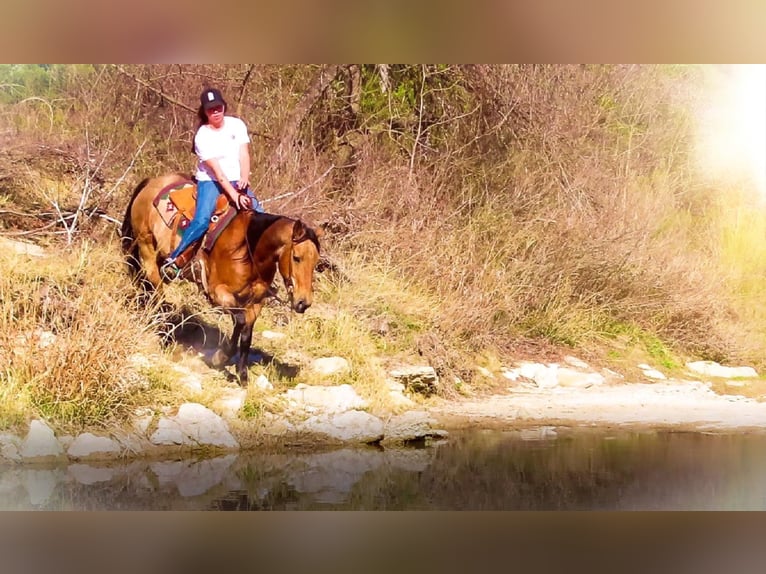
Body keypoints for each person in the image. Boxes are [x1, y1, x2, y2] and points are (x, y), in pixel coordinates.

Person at [161, 87, 264, 281]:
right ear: (205, 112)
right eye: (211, 109)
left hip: (235, 178)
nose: (215, 112)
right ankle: (174, 260)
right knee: (201, 220)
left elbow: (244, 153)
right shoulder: (202, 136)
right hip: (211, 180)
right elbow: (218, 173)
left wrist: (244, 176)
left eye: (218, 107)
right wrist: (235, 197)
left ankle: (262, 264)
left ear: (224, 106)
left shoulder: (237, 125)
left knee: (260, 214)